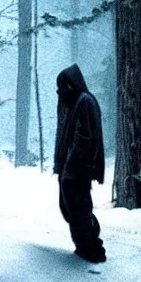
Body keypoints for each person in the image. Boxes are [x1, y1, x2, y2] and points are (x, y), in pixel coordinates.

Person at [54, 64, 106, 263]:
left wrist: (71, 169)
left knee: (79, 209)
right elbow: (66, 136)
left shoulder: (84, 101)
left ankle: (92, 248)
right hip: (69, 168)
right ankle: (86, 246)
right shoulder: (72, 101)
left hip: (77, 170)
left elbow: (84, 138)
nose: (61, 92)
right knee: (71, 209)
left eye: (64, 87)